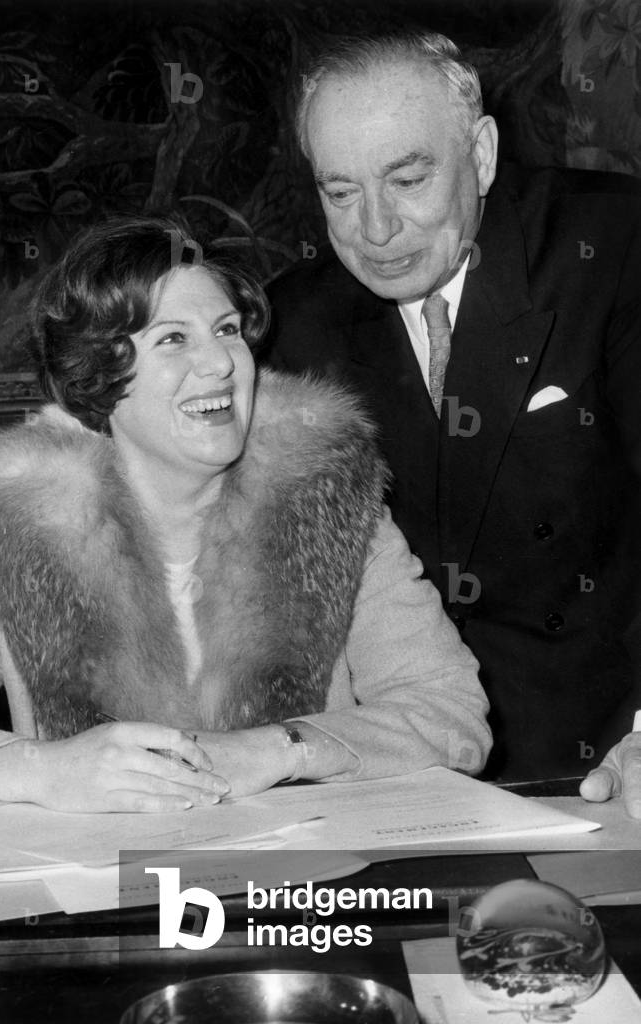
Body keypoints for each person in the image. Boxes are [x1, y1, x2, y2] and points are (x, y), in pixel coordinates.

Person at [0, 214, 491, 814]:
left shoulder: (331, 509)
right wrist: (44, 772)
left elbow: (451, 712)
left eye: (227, 330)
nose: (222, 362)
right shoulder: (26, 539)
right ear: (99, 377)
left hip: (293, 901)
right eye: (174, 338)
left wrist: (285, 749)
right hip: (102, 901)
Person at [263, 30, 641, 813]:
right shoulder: (294, 325)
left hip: (612, 759)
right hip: (401, 780)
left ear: (483, 153)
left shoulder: (615, 248)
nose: (374, 229)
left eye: (407, 178)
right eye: (340, 192)